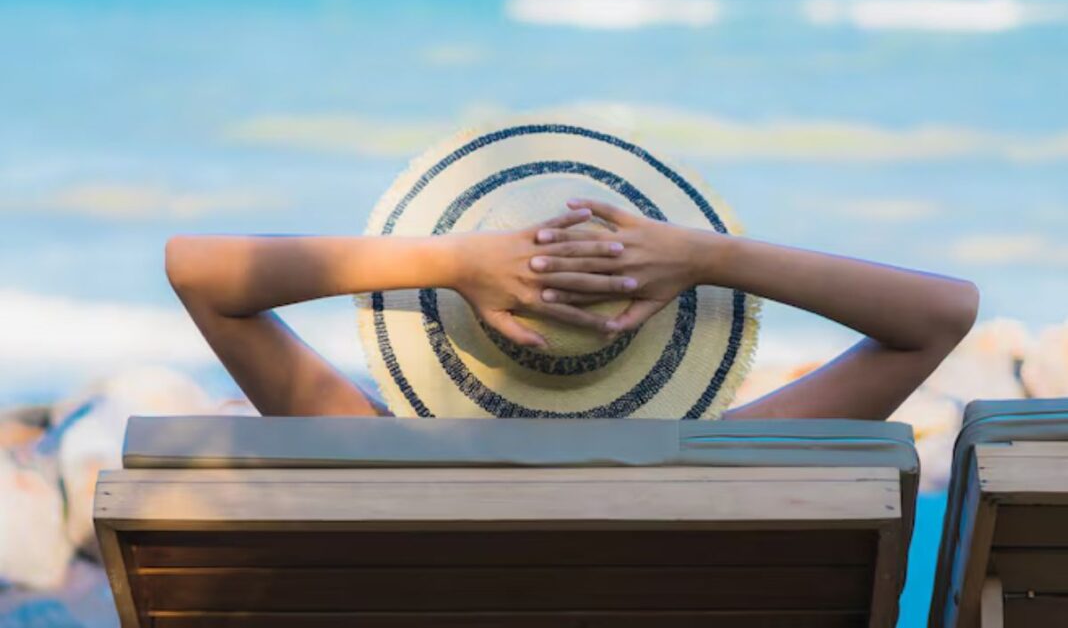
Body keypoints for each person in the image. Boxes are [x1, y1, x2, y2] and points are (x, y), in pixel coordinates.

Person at [165, 197, 979, 422]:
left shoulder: (379, 461)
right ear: (658, 338)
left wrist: (449, 261)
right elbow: (941, 314)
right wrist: (712, 255)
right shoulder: (724, 474)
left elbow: (197, 271)